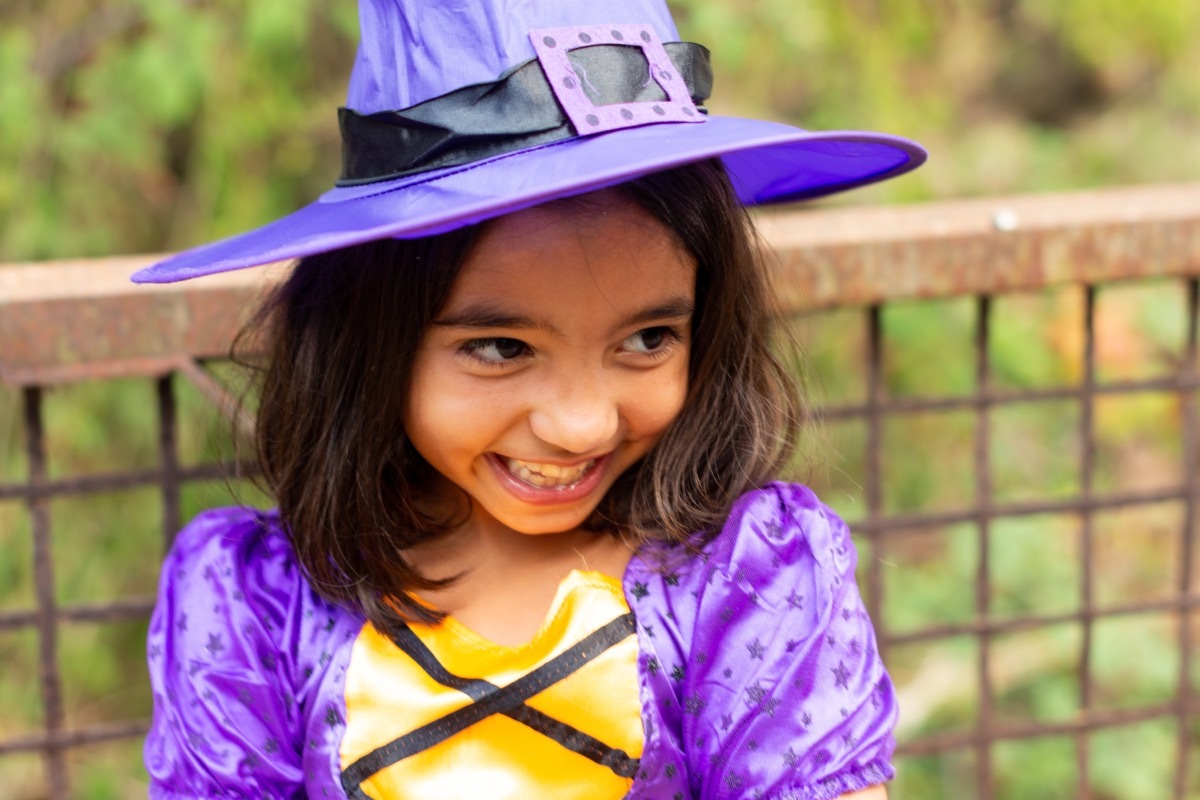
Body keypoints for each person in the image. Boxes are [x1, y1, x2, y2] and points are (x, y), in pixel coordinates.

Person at [136, 1, 925, 797]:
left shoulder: (751, 587)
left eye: (649, 339)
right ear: (369, 343)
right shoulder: (256, 613)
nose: (582, 421)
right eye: (502, 349)